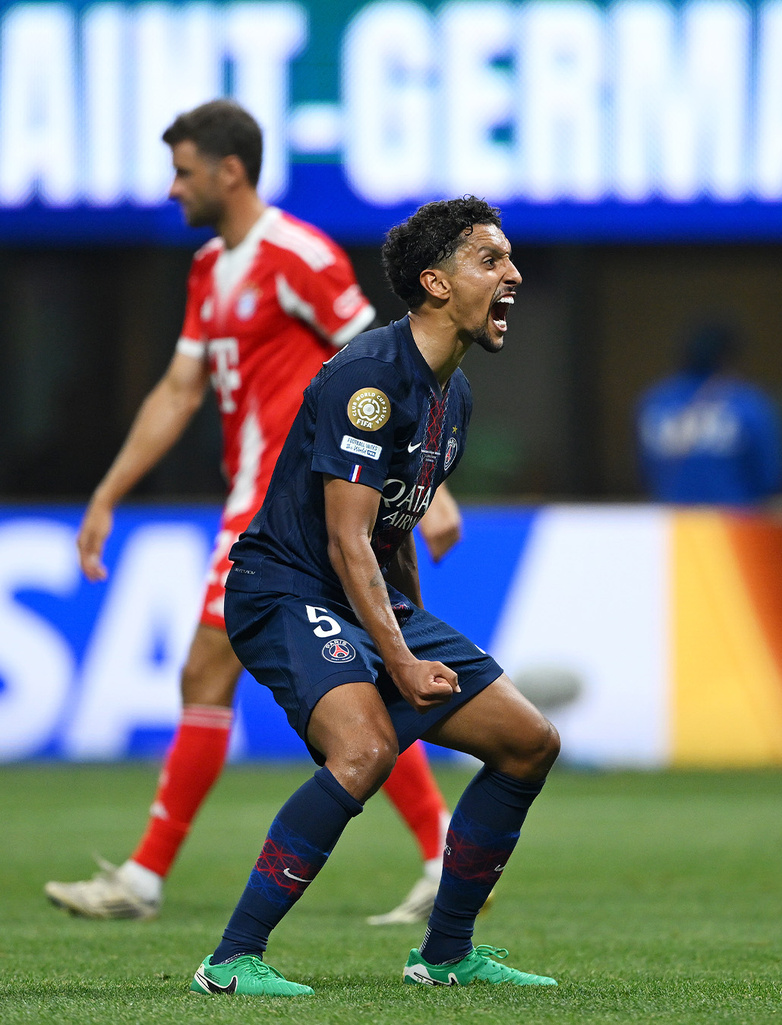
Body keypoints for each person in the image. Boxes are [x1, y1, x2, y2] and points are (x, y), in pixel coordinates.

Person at [44, 98, 457, 925]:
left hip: (294, 508)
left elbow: (387, 361)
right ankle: (443, 846)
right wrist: (108, 490)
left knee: (210, 664)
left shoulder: (296, 255)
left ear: (229, 172)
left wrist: (428, 484)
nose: (172, 189)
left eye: (183, 171)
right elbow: (178, 389)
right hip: (256, 503)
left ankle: (144, 878)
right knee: (319, 678)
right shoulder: (209, 270)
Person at [190, 195, 561, 998]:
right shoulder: (370, 378)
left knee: (529, 741)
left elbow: (391, 534)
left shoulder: (451, 395)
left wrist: (415, 632)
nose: (513, 274)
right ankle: (229, 961)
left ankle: (446, 954)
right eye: (490, 261)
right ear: (435, 282)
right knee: (364, 751)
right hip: (281, 588)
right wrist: (399, 657)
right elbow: (346, 540)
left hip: (357, 592)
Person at [635, 320, 782, 504]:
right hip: (734, 525)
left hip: (673, 525)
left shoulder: (655, 401)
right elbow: (770, 476)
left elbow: (643, 474)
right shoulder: (745, 403)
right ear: (727, 356)